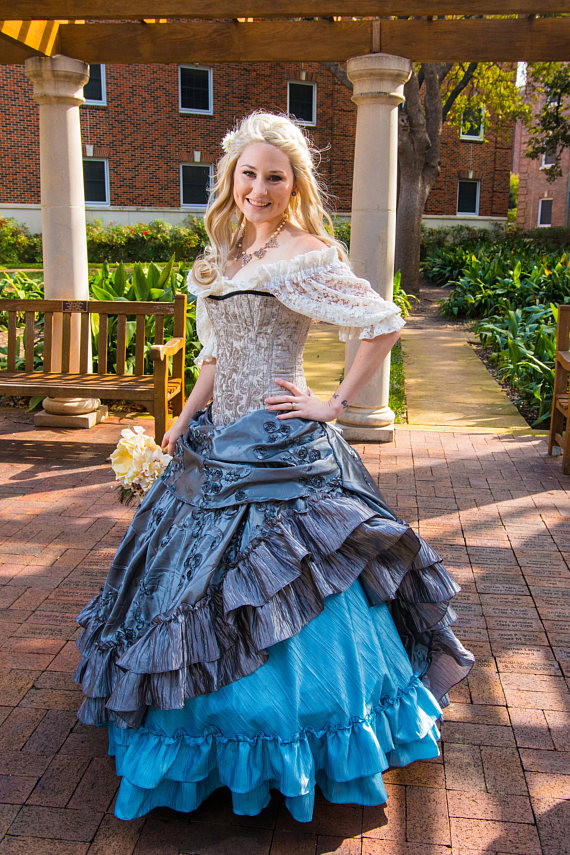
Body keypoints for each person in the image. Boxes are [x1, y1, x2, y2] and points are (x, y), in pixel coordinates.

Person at [75, 112, 474, 823]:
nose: (259, 188)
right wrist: (186, 416)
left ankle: (286, 741)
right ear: (230, 177)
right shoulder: (224, 254)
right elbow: (217, 354)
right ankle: (194, 732)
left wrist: (333, 403)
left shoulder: (306, 251)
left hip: (279, 444)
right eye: (249, 174)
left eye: (275, 176)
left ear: (295, 186)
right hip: (212, 442)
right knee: (185, 584)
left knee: (283, 582)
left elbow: (383, 322)